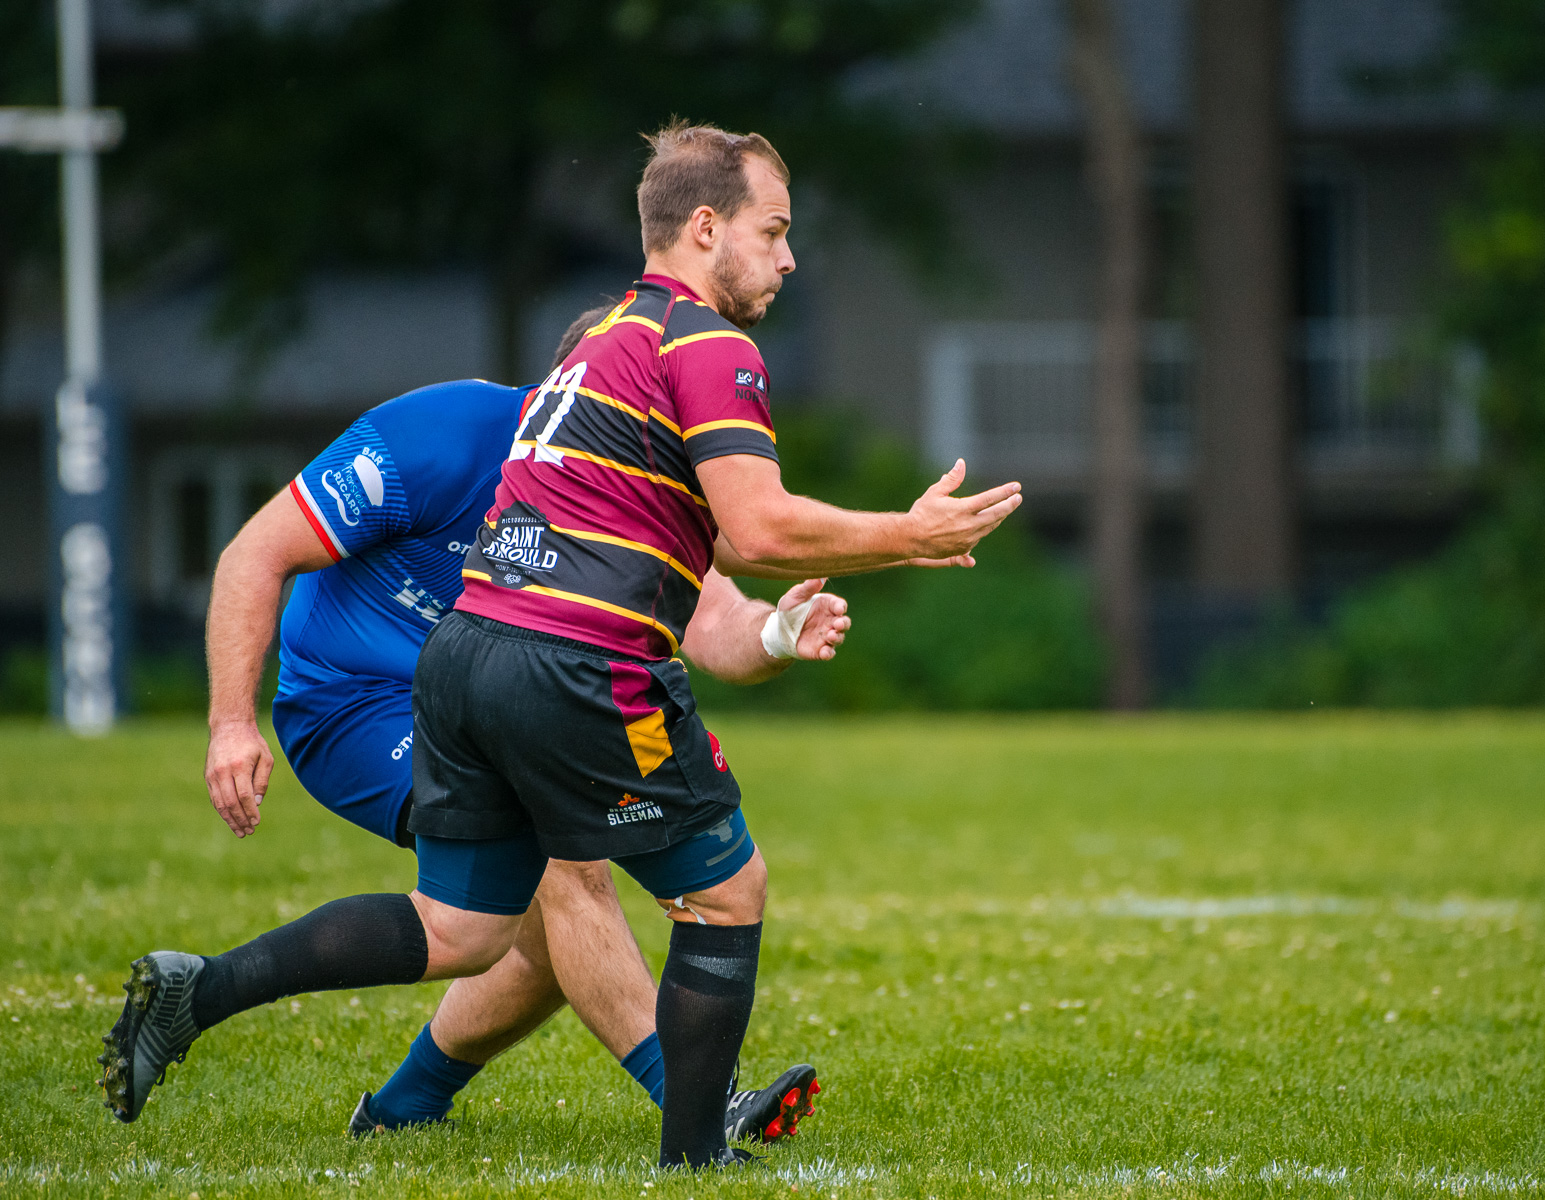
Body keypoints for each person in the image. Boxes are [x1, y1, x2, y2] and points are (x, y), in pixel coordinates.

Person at [102, 120, 1022, 1170]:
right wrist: (909, 536)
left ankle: (210, 998)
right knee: (716, 889)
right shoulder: (696, 347)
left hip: (466, 663)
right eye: (775, 232)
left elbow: (715, 595)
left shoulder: (605, 347)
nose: (789, 258)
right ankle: (697, 1152)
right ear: (705, 225)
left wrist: (774, 626)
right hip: (451, 684)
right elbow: (760, 528)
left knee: (466, 928)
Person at [173, 320, 848, 1140]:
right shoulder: (440, 436)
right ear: (575, 389)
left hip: (487, 702)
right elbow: (252, 555)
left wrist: (777, 635)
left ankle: (398, 1108)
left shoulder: (631, 485)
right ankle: (700, 1104)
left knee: (526, 935)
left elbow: (715, 629)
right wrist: (230, 724)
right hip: (351, 703)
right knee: (565, 869)